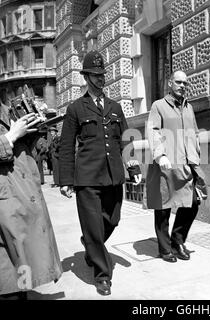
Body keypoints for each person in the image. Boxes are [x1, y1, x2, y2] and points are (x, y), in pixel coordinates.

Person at [59, 50, 142, 296]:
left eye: (102, 74)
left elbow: (127, 140)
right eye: (95, 75)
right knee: (94, 226)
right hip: (86, 177)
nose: (100, 78)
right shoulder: (76, 108)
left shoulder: (115, 107)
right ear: (86, 77)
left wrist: (134, 167)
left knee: (112, 219)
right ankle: (102, 275)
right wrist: (66, 179)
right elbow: (66, 145)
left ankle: (91, 244)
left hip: (113, 175)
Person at [0, 102, 62, 300]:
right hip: (6, 198)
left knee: (20, 260)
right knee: (7, 272)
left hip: (19, 194)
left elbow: (35, 151)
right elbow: (11, 140)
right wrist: (10, 136)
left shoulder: (5, 108)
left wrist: (36, 128)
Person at [146, 70, 207, 263]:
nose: (182, 85)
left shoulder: (189, 107)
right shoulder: (159, 106)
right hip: (166, 163)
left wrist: (196, 156)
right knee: (163, 206)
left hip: (188, 163)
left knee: (193, 202)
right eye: (178, 82)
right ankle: (165, 249)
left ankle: (177, 240)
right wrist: (160, 154)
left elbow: (195, 133)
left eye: (185, 83)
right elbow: (153, 130)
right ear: (170, 83)